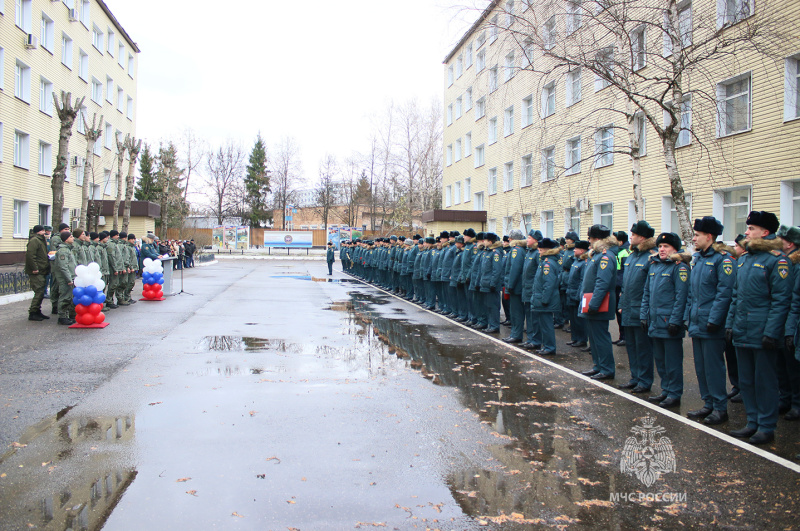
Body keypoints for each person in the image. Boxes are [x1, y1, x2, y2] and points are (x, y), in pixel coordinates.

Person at [726, 211, 792, 445]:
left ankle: (766, 426)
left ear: (765, 232)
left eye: (751, 228)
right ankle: (752, 422)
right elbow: (736, 296)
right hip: (742, 329)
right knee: (746, 381)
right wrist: (730, 324)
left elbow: (781, 300)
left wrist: (771, 332)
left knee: (765, 381)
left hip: (762, 331)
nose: (747, 232)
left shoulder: (777, 260)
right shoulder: (744, 259)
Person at [685, 216, 735, 425]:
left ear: (709, 236)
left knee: (714, 367)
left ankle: (720, 408)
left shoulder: (723, 260)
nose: (694, 238)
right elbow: (692, 293)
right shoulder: (698, 259)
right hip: (697, 322)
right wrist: (688, 317)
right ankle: (708, 403)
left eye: (697, 235)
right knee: (701, 367)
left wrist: (715, 320)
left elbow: (725, 293)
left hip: (711, 324)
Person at [642, 232, 690, 409]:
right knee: (660, 360)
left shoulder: (679, 267)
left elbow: (681, 296)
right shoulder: (654, 265)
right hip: (655, 321)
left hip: (669, 322)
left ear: (675, 249)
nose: (662, 249)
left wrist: (675, 321)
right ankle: (666, 389)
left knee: (672, 361)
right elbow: (647, 293)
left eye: (666, 247)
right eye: (660, 246)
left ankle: (674, 393)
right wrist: (643, 315)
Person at [618, 221, 656, 394]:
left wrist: (646, 311)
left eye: (633, 234)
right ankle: (635, 377)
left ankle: (644, 380)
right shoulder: (632, 256)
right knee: (631, 347)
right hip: (627, 308)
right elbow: (625, 286)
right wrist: (621, 305)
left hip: (640, 309)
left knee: (643, 348)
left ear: (642, 237)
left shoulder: (650, 257)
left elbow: (650, 287)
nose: (630, 236)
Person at [578, 225, 619, 380]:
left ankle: (607, 368)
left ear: (596, 239)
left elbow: (602, 283)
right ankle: (598, 366)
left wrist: (594, 304)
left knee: (600, 337)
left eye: (590, 238)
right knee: (593, 338)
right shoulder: (596, 255)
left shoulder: (605, 256)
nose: (588, 242)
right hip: (591, 302)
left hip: (599, 304)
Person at [778, 224, 800, 421]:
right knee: (782, 365)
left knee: (793, 368)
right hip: (783, 320)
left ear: (790, 243)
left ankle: (796, 403)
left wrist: (790, 329)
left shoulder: (796, 265)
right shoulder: (785, 262)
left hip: (791, 322)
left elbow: (794, 299)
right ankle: (785, 399)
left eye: (781, 240)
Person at [531, 238, 562, 355]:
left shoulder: (548, 263)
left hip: (546, 300)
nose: (539, 251)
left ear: (547, 250)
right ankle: (547, 346)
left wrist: (544, 299)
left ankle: (550, 347)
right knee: (543, 325)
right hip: (543, 298)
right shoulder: (544, 262)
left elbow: (549, 284)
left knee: (547, 325)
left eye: (541, 249)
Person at [503, 230, 527, 343]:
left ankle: (516, 335)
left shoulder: (516, 250)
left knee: (516, 312)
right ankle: (514, 333)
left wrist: (510, 285)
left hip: (516, 287)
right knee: (515, 311)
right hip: (517, 286)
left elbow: (514, 269)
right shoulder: (519, 250)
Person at [566, 241, 590, 349]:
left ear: (582, 250)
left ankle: (582, 339)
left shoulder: (583, 263)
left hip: (577, 294)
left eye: (576, 249)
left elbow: (582, 281)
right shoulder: (575, 261)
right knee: (573, 319)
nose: (574, 250)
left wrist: (578, 295)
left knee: (579, 320)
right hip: (571, 292)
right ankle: (575, 338)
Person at [25, 225, 51, 321]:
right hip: (37, 271)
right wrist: (34, 268)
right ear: (39, 231)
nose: (46, 232)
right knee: (39, 291)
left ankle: (37, 311)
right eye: (43, 231)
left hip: (42, 269)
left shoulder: (41, 240)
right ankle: (33, 312)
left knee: (41, 291)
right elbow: (30, 255)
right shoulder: (35, 240)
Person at [53, 230, 78, 325]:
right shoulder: (63, 251)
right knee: (65, 297)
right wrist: (68, 279)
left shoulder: (68, 249)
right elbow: (63, 267)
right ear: (66, 239)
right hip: (65, 278)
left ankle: (67, 315)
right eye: (71, 237)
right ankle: (62, 316)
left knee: (69, 297)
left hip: (71, 277)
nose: (73, 238)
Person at [614, 231, 631, 345]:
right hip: (617, 284)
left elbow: (624, 272)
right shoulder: (618, 251)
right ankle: (621, 336)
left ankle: (625, 337)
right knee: (617, 312)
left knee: (621, 312)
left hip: (620, 286)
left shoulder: (624, 252)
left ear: (620, 241)